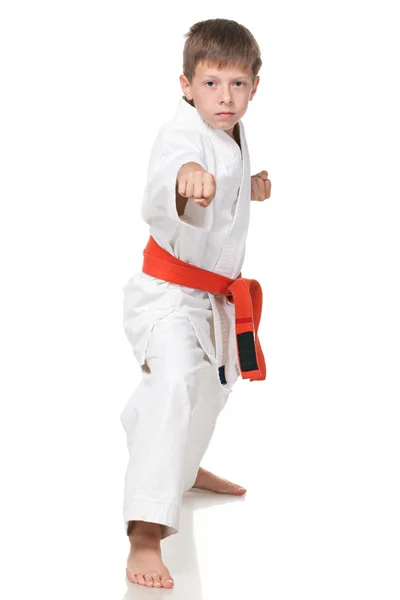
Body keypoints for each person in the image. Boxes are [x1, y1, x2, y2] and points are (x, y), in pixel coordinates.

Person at [120, 18, 271, 589]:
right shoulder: (180, 135)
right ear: (185, 85)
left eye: (237, 84)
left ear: (255, 87)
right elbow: (173, 169)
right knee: (175, 383)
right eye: (211, 84)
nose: (224, 97)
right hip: (168, 296)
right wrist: (184, 178)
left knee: (211, 391)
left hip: (214, 299)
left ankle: (181, 469)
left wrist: (246, 184)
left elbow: (224, 172)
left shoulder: (231, 129)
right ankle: (145, 529)